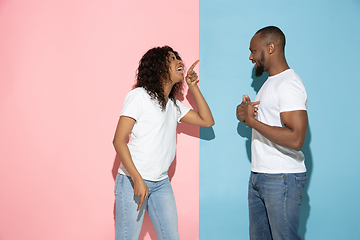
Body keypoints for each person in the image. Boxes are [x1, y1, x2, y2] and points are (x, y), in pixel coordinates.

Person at [113, 46, 214, 240]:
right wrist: (137, 179)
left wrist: (193, 86)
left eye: (178, 58)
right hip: (131, 181)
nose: (180, 62)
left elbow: (207, 121)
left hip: (161, 183)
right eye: (172, 59)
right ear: (159, 67)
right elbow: (118, 141)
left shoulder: (173, 105)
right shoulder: (139, 96)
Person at [236, 26, 308, 240]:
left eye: (253, 51)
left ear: (270, 47)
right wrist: (245, 116)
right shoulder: (269, 83)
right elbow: (268, 122)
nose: (250, 57)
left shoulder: (289, 84)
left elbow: (296, 139)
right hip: (260, 175)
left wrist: (252, 122)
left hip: (282, 177)